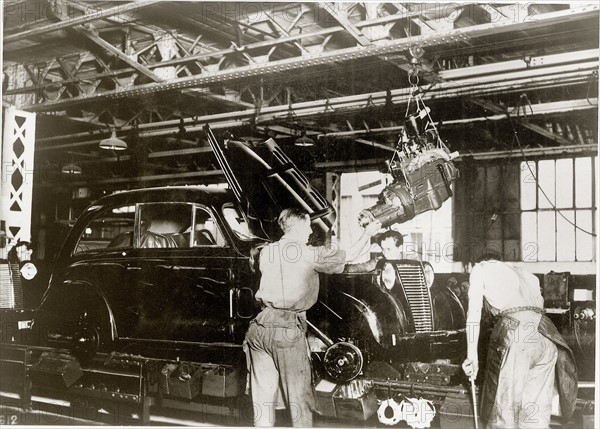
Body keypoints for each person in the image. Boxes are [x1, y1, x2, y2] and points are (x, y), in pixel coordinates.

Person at [243, 208, 381, 427]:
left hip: (258, 329)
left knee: (263, 403)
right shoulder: (308, 254)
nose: (310, 231)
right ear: (297, 227)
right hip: (285, 330)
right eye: (307, 226)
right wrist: (367, 233)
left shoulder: (268, 251)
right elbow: (349, 256)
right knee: (299, 402)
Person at [462, 258, 577, 429]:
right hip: (546, 336)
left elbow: (474, 314)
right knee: (535, 418)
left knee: (503, 416)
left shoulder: (480, 269)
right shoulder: (527, 275)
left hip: (518, 336)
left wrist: (472, 357)